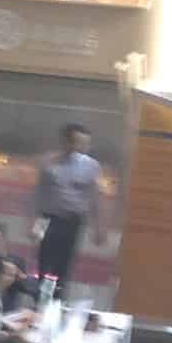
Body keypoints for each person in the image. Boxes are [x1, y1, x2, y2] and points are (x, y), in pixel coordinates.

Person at [33, 121, 105, 292]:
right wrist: (34, 223)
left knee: (64, 263)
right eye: (77, 142)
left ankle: (58, 298)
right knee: (44, 259)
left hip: (73, 220)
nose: (82, 147)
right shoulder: (49, 162)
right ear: (66, 141)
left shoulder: (92, 166)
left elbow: (95, 198)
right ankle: (41, 296)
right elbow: (39, 194)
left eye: (85, 143)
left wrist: (99, 227)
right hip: (48, 218)